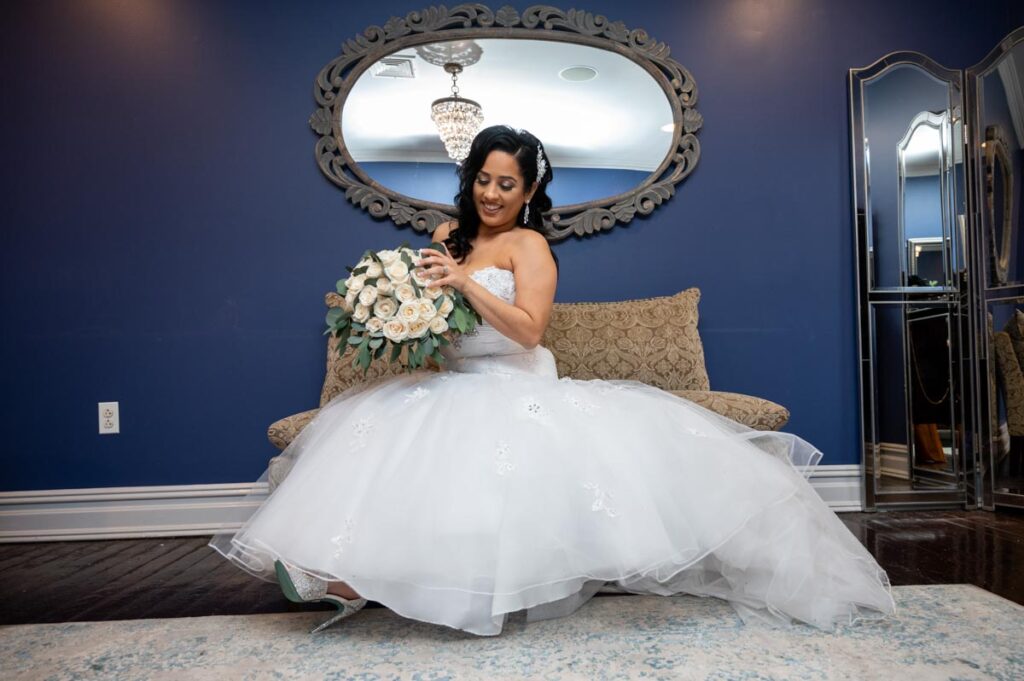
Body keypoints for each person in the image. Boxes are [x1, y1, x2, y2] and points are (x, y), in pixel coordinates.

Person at [209, 125, 895, 636]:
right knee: (382, 436)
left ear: (530, 190)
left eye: (507, 183)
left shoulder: (529, 245)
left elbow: (529, 329)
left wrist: (462, 284)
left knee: (487, 464)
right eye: (483, 177)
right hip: (450, 380)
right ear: (470, 176)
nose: (492, 192)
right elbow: (440, 321)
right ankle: (339, 578)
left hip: (516, 383)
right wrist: (403, 310)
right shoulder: (448, 234)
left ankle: (449, 586)